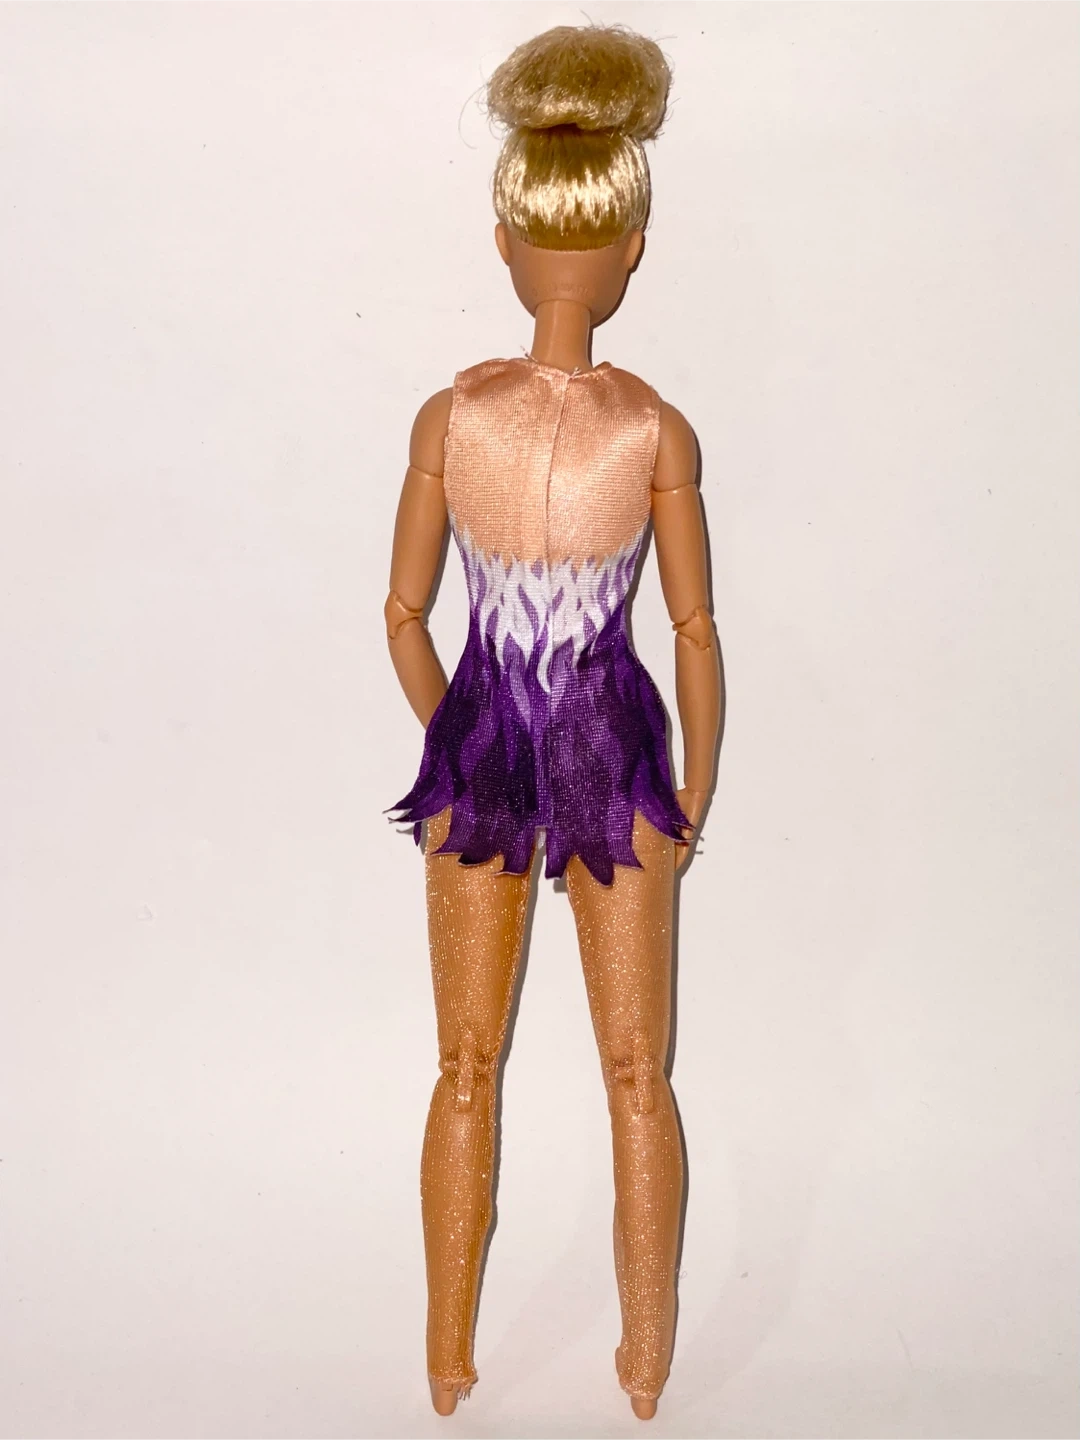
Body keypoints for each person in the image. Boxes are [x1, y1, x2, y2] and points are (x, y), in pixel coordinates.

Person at [383, 23, 722, 1420]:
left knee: (466, 1066)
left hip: (491, 758)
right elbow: (695, 635)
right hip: (615, 751)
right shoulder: (654, 430)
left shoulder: (454, 416)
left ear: (507, 242)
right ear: (630, 249)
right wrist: (695, 789)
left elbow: (402, 616)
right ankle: (643, 1359)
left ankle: (450, 1353)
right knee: (638, 1072)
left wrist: (459, 729)